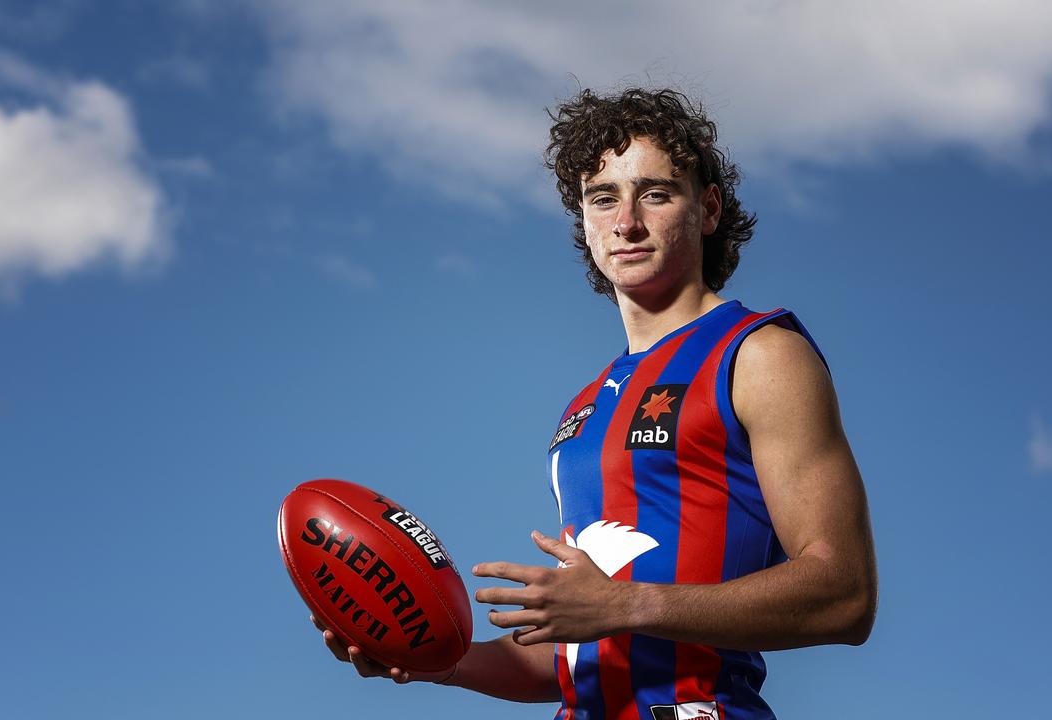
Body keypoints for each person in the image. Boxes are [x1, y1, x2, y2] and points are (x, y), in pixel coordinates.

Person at [312, 87, 877, 719]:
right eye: (602, 198)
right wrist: (431, 658)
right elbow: (580, 654)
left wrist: (626, 605)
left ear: (708, 208)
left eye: (655, 193)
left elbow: (844, 592)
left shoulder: (759, 354)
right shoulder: (585, 408)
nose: (626, 221)